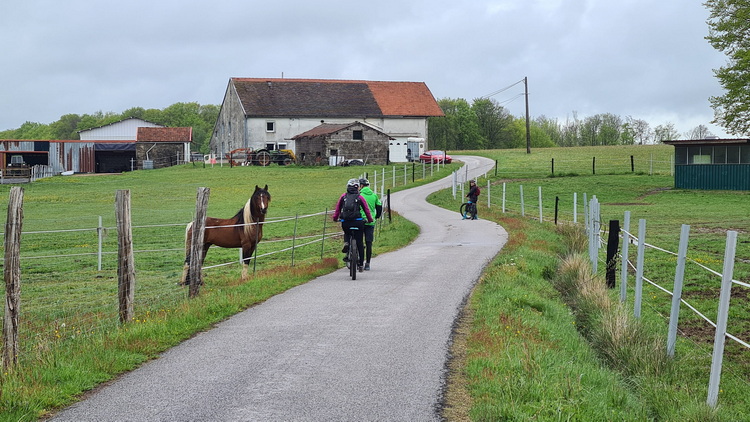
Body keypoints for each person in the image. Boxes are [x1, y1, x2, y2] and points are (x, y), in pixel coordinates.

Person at [332, 178, 373, 272]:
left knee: (347, 232)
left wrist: (335, 218)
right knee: (359, 243)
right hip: (358, 222)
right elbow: (366, 210)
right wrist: (369, 219)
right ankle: (361, 265)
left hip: (346, 222)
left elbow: (338, 209)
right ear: (358, 187)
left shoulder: (344, 196)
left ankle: (347, 242)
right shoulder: (360, 197)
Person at [358, 178, 382, 271]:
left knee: (359, 242)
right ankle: (367, 263)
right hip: (370, 221)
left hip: (360, 220)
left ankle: (359, 261)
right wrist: (376, 216)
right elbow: (379, 207)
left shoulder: (359, 195)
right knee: (369, 243)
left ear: (361, 186)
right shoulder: (374, 195)